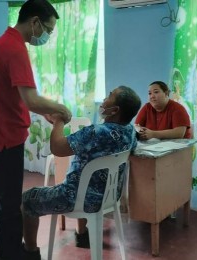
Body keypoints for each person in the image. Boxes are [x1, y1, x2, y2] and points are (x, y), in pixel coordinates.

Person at [0, 1, 71, 259]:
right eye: (48, 29)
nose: (47, 36)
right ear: (35, 22)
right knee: (9, 205)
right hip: (4, 138)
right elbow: (31, 99)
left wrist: (46, 111)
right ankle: (10, 254)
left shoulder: (4, 43)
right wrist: (59, 108)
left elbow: (15, 96)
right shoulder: (14, 49)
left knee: (4, 194)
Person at [21, 86, 141, 259]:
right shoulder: (130, 132)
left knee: (27, 200)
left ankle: (30, 253)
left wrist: (58, 122)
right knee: (84, 182)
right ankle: (82, 234)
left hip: (74, 198)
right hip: (107, 197)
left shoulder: (95, 132)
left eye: (109, 96)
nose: (105, 99)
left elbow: (58, 148)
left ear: (114, 110)